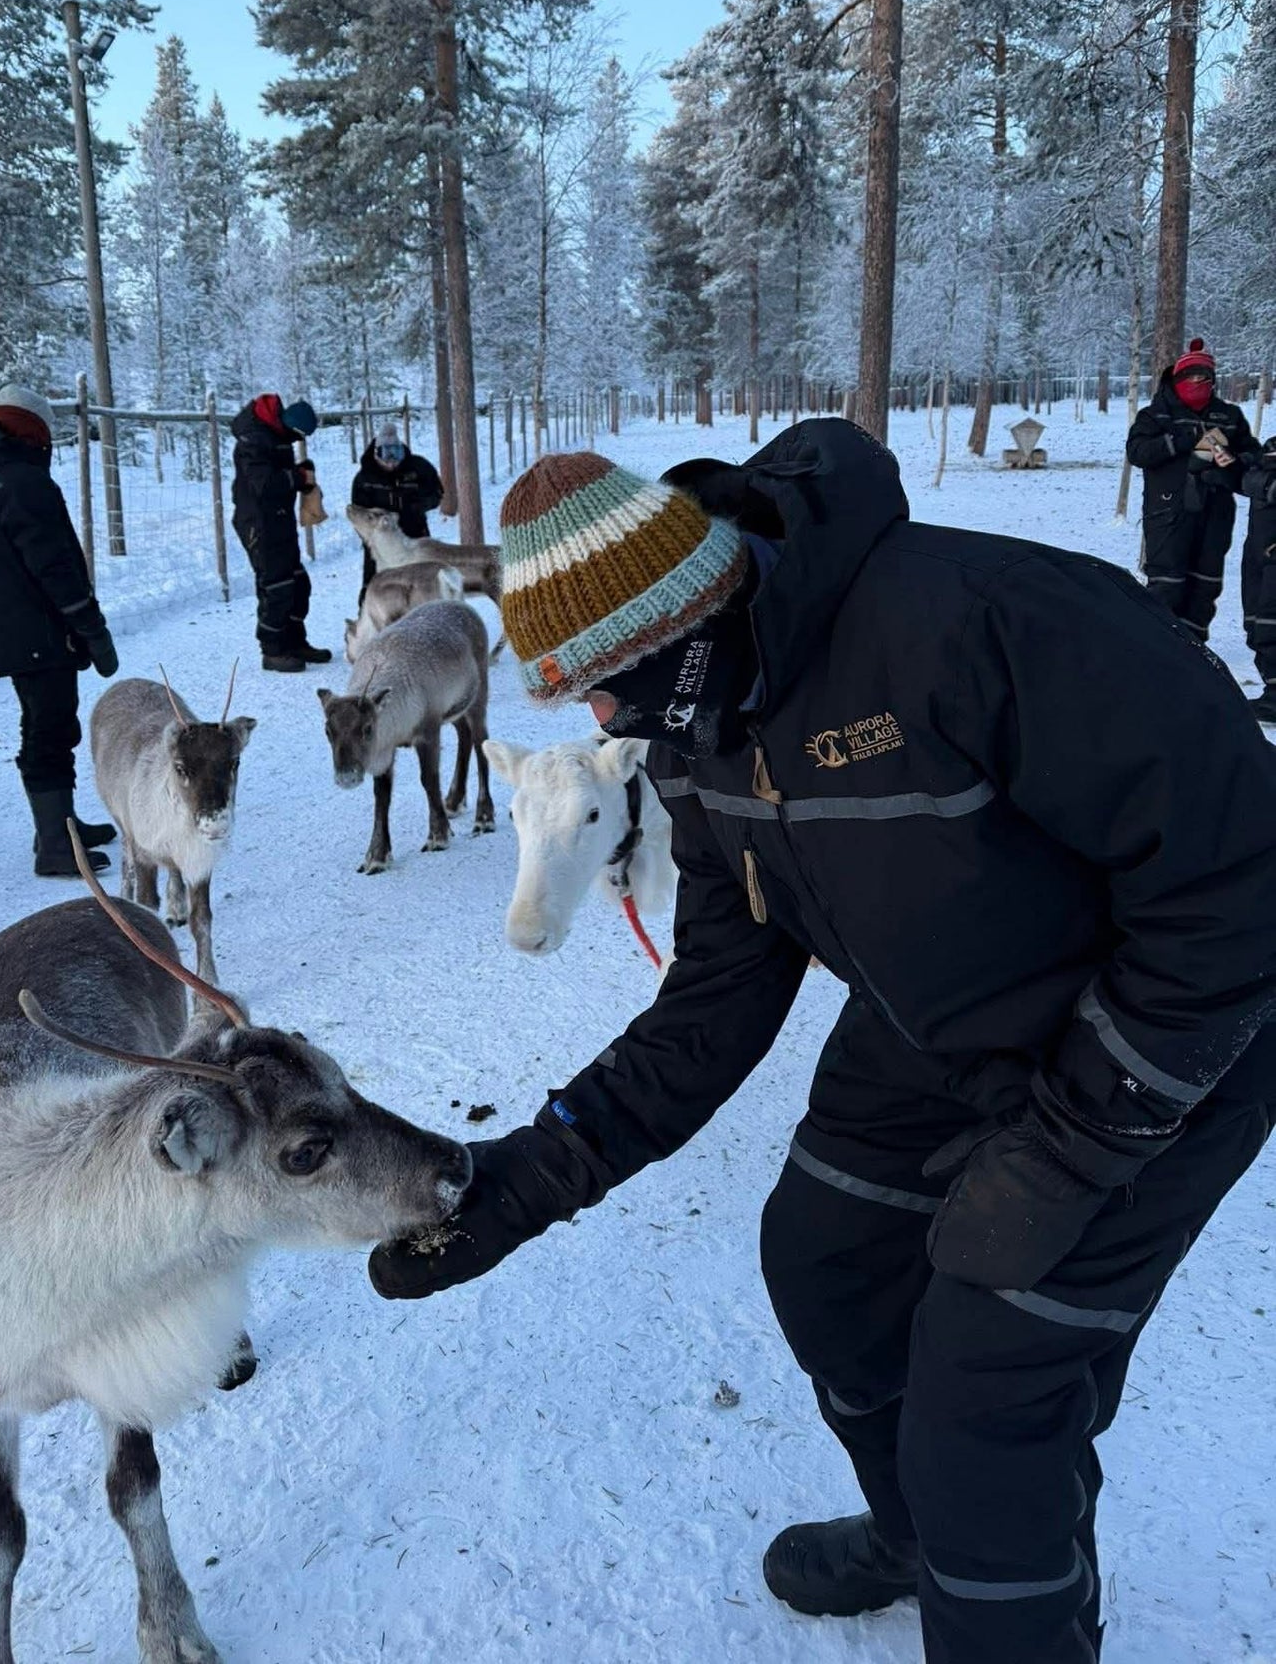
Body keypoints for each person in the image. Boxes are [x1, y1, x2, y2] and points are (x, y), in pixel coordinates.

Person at [369, 427, 1276, 1664]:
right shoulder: (698, 736)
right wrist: (532, 1174)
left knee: (985, 1399)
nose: (600, 714)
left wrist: (1068, 1148)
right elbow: (711, 1001)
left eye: (607, 676)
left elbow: (1239, 889)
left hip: (1167, 1031)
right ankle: (918, 1534)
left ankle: (992, 1578)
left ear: (687, 618)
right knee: (823, 1262)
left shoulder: (982, 619)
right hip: (939, 1012)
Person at [0, 382, 119, 878]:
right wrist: (90, 625)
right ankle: (55, 844)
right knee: (49, 730)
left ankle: (60, 825)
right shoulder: (23, 483)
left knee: (47, 724)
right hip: (40, 631)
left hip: (16, 630)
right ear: (31, 430)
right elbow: (55, 565)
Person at [1127, 337, 1258, 643]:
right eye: (1192, 377)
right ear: (1178, 379)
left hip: (1216, 514)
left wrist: (1232, 463)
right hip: (1168, 514)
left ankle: (1194, 650)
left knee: (1205, 587)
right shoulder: (1156, 415)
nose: (1199, 384)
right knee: (1167, 586)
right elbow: (1137, 452)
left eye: (1205, 378)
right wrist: (1178, 442)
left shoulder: (1228, 416)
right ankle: (1157, 649)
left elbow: (1252, 456)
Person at [229, 393, 332, 672]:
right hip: (259, 524)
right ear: (290, 426)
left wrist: (300, 473)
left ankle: (294, 642)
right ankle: (273, 650)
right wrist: (297, 477)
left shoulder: (276, 435)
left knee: (298, 584)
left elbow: (279, 473)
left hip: (279, 520)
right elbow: (264, 484)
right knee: (276, 587)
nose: (298, 441)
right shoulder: (253, 439)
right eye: (299, 435)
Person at [350, 422, 444, 591]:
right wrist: (373, 535)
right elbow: (359, 516)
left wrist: (419, 505)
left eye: (396, 453)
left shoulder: (419, 468)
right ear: (376, 453)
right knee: (377, 590)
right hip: (380, 544)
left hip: (415, 537)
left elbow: (437, 493)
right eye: (386, 454)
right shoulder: (365, 479)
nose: (392, 461)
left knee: (422, 588)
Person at [1239, 436, 1276, 722]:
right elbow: (1245, 479)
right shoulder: (1270, 448)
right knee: (1256, 622)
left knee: (1270, 622)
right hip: (1257, 551)